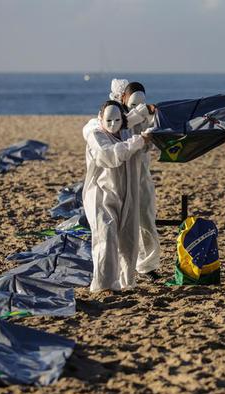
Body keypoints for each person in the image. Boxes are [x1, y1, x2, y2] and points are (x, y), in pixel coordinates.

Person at [84, 79, 161, 281]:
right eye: (133, 104)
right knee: (109, 232)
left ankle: (145, 267)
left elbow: (151, 142)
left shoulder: (135, 120)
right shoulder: (107, 123)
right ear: (122, 99)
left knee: (144, 222)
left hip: (139, 179)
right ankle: (111, 278)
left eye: (141, 104)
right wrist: (140, 128)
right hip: (111, 186)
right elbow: (111, 147)